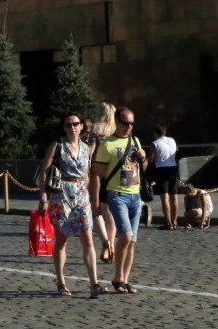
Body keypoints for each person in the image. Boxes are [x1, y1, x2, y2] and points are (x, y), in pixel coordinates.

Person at [38, 113, 104, 298]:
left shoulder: (85, 148)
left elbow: (87, 173)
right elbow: (44, 172)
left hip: (81, 196)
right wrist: (44, 197)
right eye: (68, 125)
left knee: (88, 239)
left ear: (81, 126)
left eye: (75, 124)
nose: (72, 127)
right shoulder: (58, 145)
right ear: (64, 128)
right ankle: (61, 282)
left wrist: (93, 198)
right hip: (62, 197)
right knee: (61, 240)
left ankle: (94, 284)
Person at [91, 105, 147, 295]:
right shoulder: (107, 145)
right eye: (125, 123)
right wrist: (96, 202)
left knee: (132, 241)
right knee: (126, 236)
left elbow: (142, 169)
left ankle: (124, 279)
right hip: (116, 194)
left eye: (132, 123)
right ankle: (117, 276)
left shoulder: (135, 141)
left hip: (135, 194)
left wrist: (144, 158)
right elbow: (97, 174)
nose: (129, 126)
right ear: (117, 121)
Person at [87, 102, 117, 263]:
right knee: (110, 211)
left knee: (96, 209)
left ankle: (106, 243)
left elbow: (90, 151)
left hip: (97, 173)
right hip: (113, 173)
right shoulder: (116, 129)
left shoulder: (96, 128)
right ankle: (111, 245)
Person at [149, 124, 179, 230]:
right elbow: (176, 151)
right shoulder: (172, 140)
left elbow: (150, 159)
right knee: (174, 195)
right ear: (165, 132)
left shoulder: (155, 143)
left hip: (161, 169)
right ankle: (175, 221)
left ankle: (168, 223)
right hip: (173, 168)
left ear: (155, 133)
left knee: (164, 196)